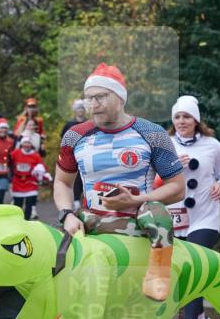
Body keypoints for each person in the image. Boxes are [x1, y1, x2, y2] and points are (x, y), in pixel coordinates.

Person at [55, 63, 185, 302]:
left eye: (101, 97)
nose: (93, 104)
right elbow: (62, 183)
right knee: (47, 252)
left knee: (157, 212)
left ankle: (158, 275)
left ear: (120, 98)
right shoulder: (75, 135)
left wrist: (136, 200)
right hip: (90, 219)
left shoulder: (152, 133)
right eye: (89, 98)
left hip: (138, 219)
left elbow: (177, 187)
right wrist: (67, 215)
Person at [166, 96, 220, 319]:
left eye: (187, 117)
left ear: (196, 120)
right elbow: (152, 179)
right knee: (185, 274)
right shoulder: (165, 145)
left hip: (205, 216)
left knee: (193, 266)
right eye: (177, 117)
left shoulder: (212, 146)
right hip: (176, 217)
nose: (182, 121)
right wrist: (172, 167)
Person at [10, 135, 51, 220]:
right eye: (25, 142)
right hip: (18, 181)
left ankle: (27, 221)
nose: (27, 145)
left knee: (29, 205)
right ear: (22, 144)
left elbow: (42, 167)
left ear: (31, 145)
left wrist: (45, 174)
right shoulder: (15, 153)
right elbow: (8, 161)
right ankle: (17, 221)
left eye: (28, 143)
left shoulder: (35, 155)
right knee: (18, 205)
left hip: (30, 182)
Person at [60, 99, 89, 207]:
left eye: (82, 109)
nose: (80, 111)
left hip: (86, 152)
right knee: (75, 176)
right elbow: (63, 139)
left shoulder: (89, 123)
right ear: (75, 111)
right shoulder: (69, 124)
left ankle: (86, 198)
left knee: (85, 175)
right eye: (78, 109)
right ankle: (76, 199)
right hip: (73, 153)